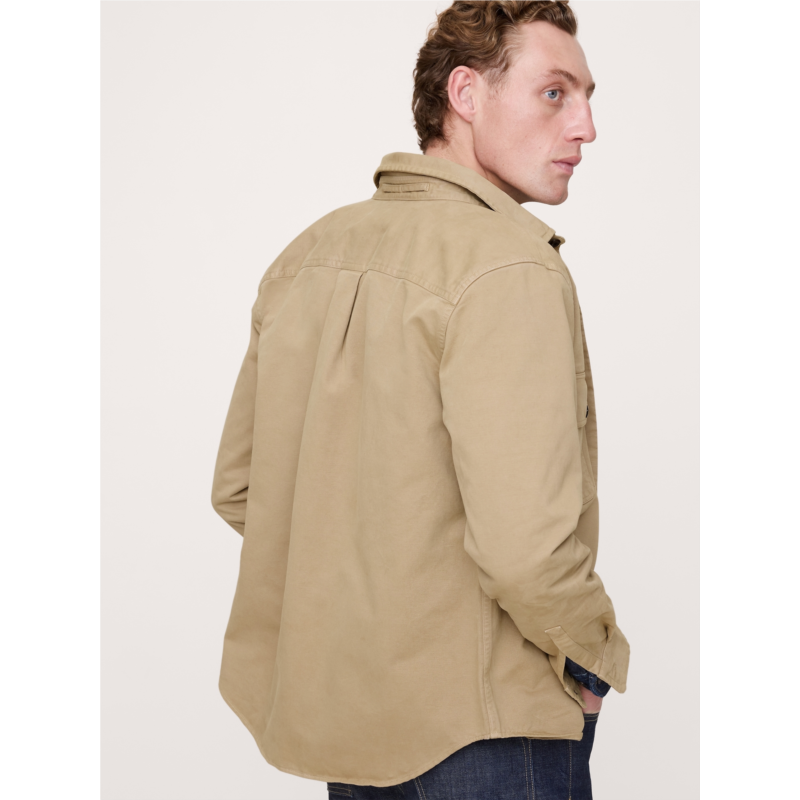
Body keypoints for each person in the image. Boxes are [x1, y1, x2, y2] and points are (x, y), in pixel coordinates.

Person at [211, 1, 630, 797]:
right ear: (465, 94)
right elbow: (526, 551)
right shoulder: (511, 267)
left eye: (586, 97)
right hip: (486, 732)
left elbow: (241, 489)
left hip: (349, 724)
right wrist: (594, 656)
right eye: (554, 93)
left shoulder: (308, 255)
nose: (585, 127)